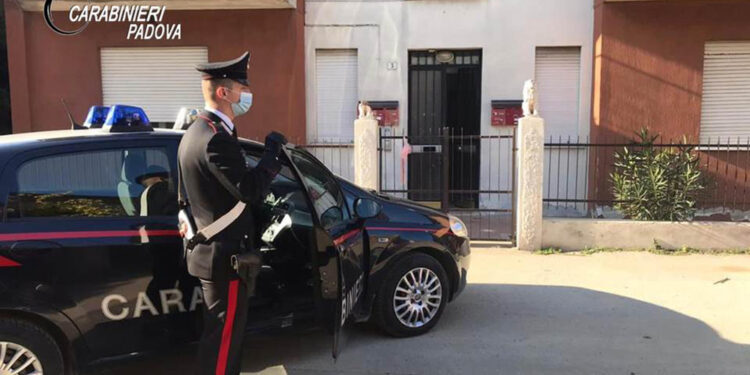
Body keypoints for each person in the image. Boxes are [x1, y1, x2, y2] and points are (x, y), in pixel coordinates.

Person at [177, 51, 287, 375]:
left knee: (219, 338)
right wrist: (272, 155)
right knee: (224, 344)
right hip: (226, 258)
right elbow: (250, 190)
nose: (246, 94)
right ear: (224, 92)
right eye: (242, 87)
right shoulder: (214, 139)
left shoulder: (198, 130)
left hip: (214, 254)